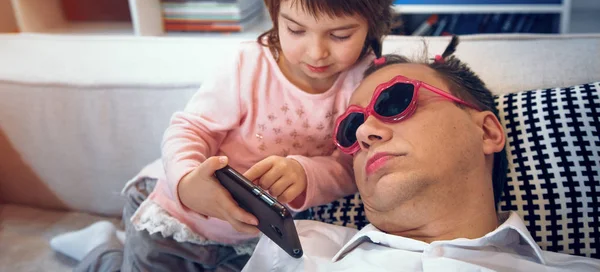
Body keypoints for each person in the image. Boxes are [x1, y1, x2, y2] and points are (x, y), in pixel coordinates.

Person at [49, 0, 408, 271]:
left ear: (373, 22)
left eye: (340, 34)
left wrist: (306, 174)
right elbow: (189, 129)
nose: (316, 52)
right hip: (179, 219)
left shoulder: (366, 81)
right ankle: (102, 247)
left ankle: (112, 245)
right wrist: (188, 183)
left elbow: (354, 165)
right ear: (274, 12)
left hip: (254, 237)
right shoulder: (247, 66)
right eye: (296, 30)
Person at [242, 38, 600, 271]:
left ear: (487, 131)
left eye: (395, 100)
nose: (365, 132)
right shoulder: (293, 251)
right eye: (350, 128)